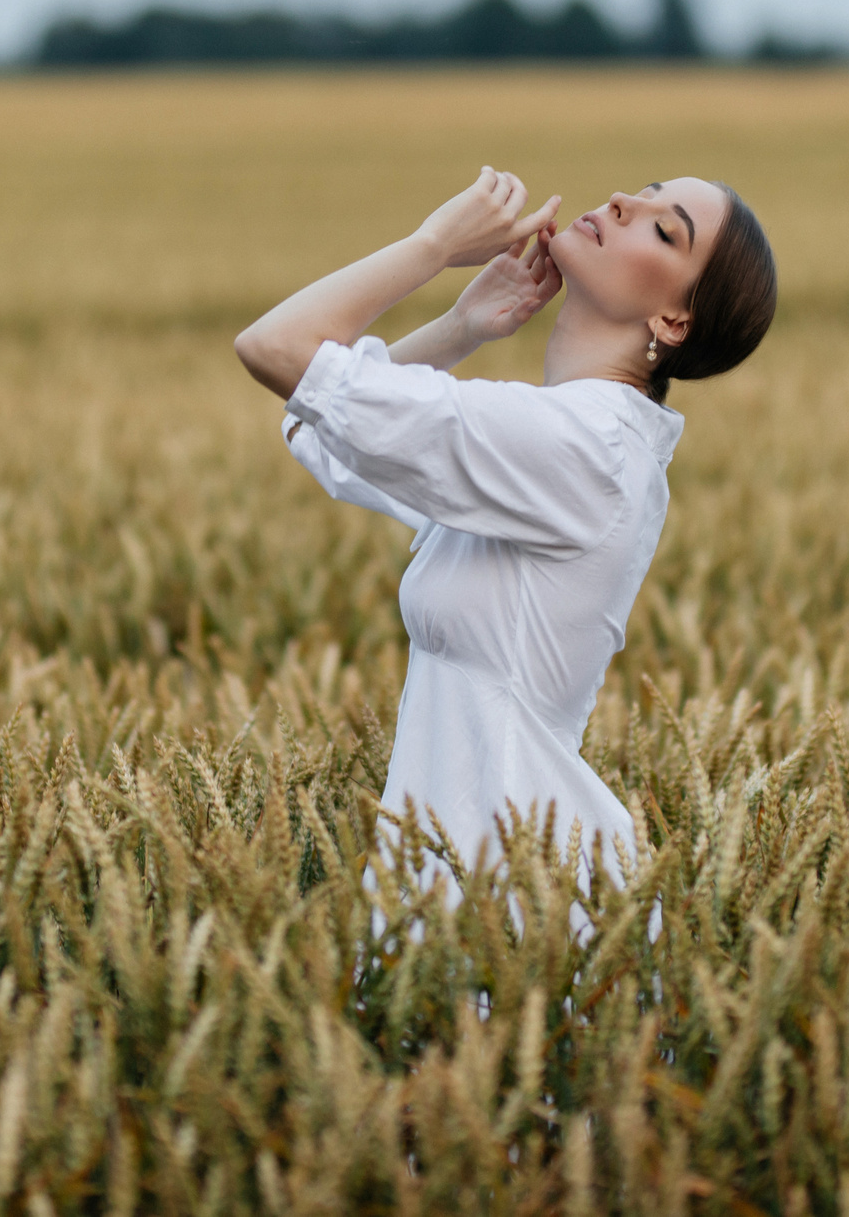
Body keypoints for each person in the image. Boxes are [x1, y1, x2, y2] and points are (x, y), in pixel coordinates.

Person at [234, 166, 778, 905]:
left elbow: (275, 347)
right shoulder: (567, 444)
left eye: (663, 227)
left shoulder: (585, 451)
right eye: (645, 189)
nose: (624, 201)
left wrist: (432, 245)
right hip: (458, 882)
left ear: (674, 322)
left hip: (512, 898)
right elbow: (315, 427)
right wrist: (460, 328)